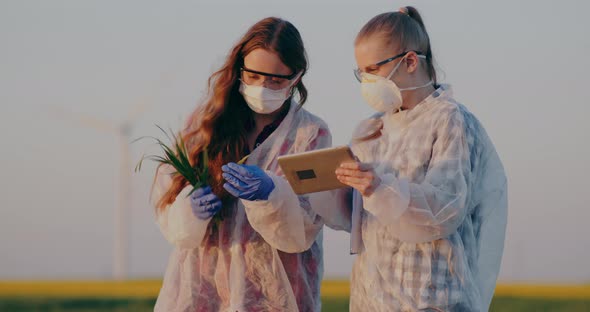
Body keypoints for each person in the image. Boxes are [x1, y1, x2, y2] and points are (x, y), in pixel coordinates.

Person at [151, 17, 348, 312]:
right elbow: (168, 208)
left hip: (276, 296)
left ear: (296, 78)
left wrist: (274, 193)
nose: (262, 87)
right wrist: (188, 209)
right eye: (253, 76)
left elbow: (304, 229)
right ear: (239, 69)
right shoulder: (205, 124)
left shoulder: (311, 133)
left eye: (276, 80)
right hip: (205, 293)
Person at [335, 6, 508, 311]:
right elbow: (356, 218)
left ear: (411, 61)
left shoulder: (449, 119)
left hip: (434, 301)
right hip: (373, 301)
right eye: (360, 72)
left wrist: (382, 188)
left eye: (373, 70)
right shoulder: (371, 129)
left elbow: (445, 208)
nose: (366, 81)